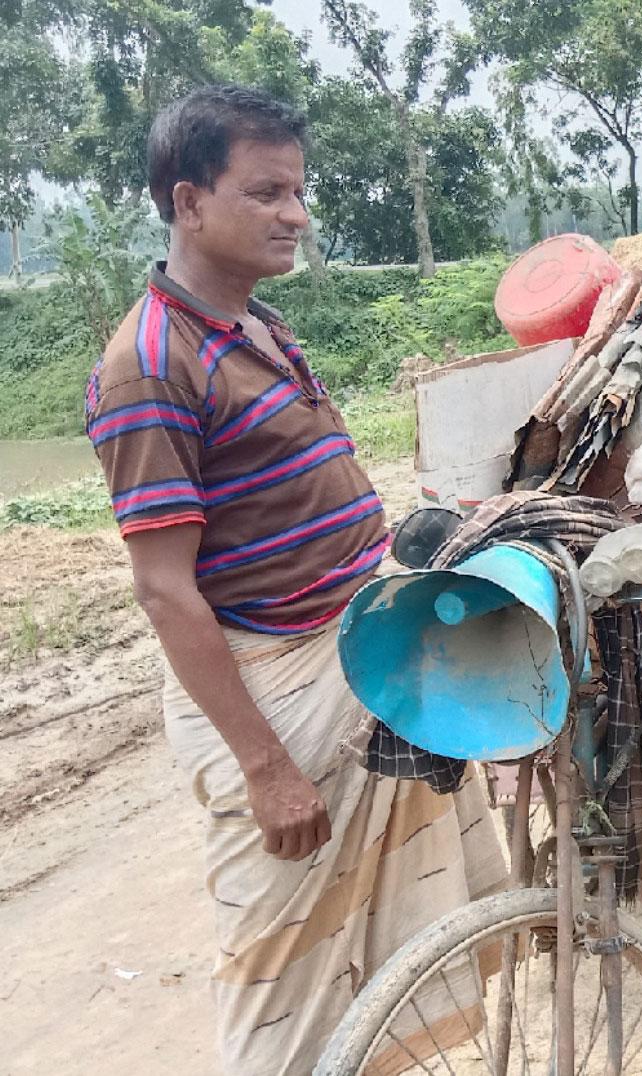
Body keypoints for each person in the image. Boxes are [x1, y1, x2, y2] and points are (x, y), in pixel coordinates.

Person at [84, 84, 506, 1074]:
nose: (295, 214)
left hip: (357, 654)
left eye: (299, 191)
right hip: (278, 702)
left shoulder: (260, 327)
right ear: (188, 202)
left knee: (385, 968)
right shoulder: (150, 360)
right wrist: (265, 765)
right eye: (266, 191)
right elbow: (164, 590)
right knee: (287, 996)